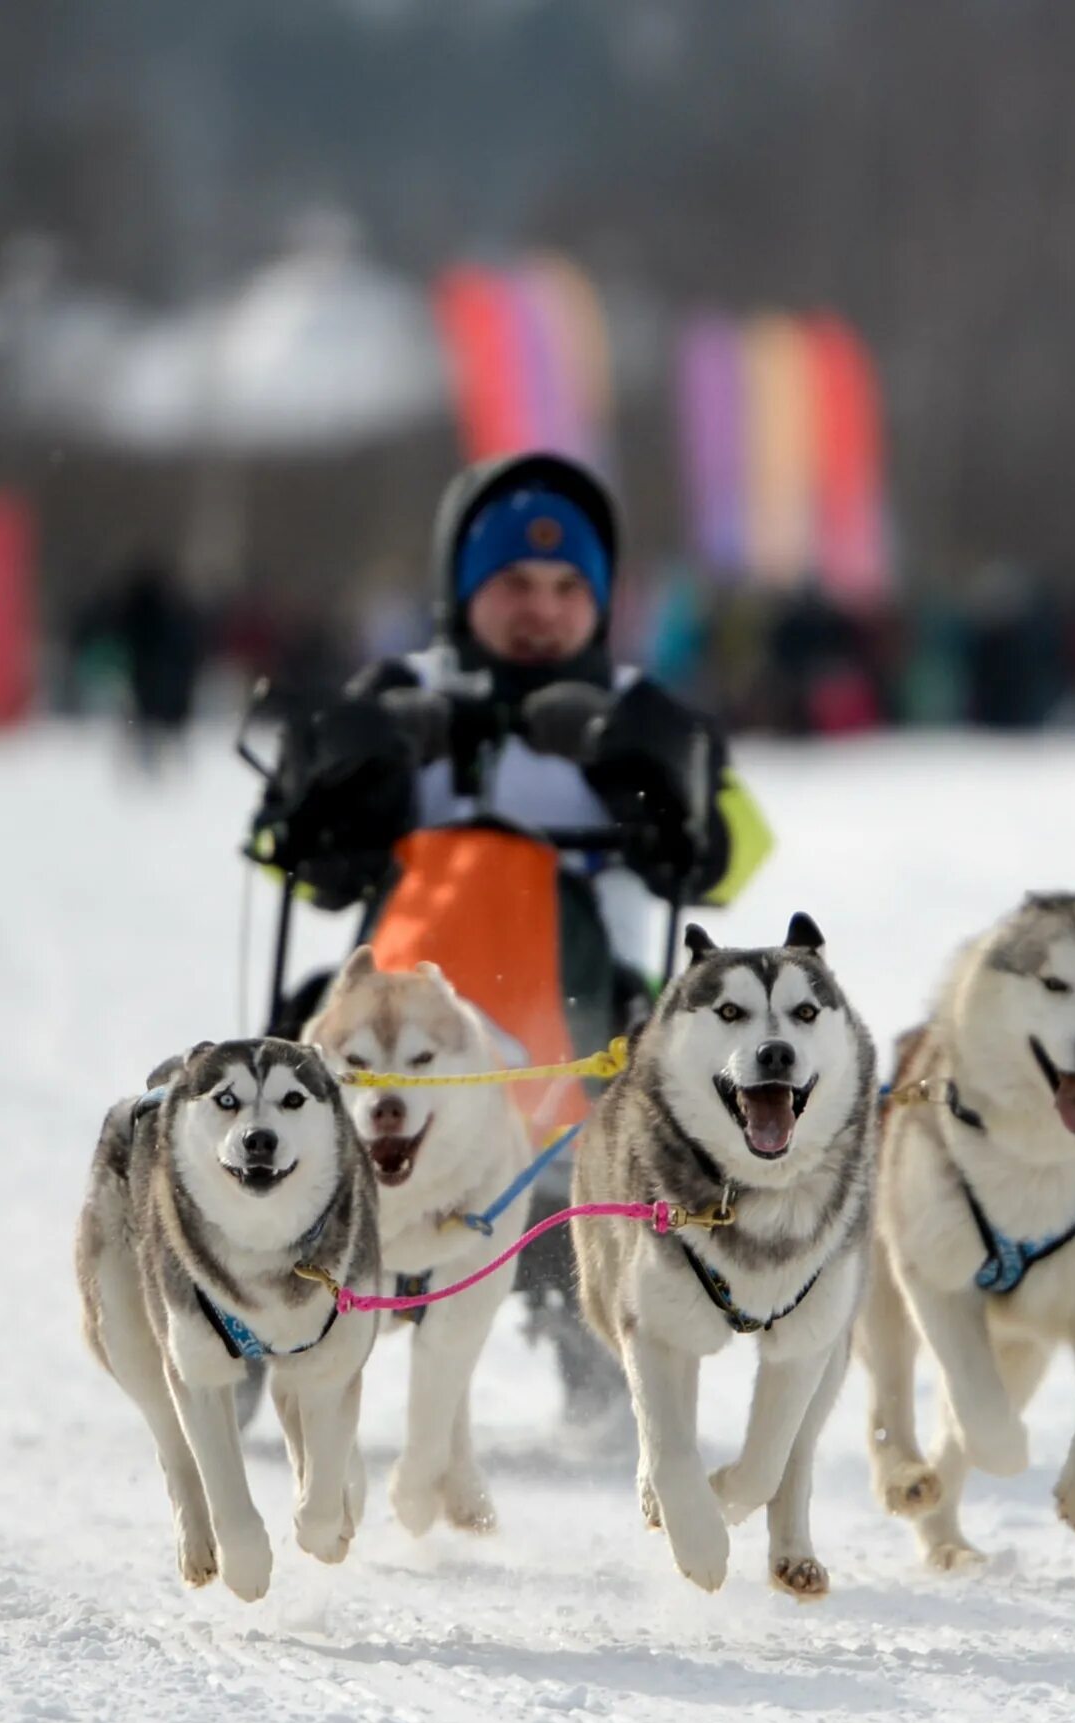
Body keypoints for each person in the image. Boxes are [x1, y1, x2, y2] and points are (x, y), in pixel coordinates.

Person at [245, 451, 771, 1418]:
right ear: (464, 590)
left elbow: (731, 858)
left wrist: (648, 767)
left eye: (570, 588)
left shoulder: (635, 707)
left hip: (576, 1019)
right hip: (400, 1009)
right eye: (515, 585)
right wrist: (357, 759)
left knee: (651, 1062)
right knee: (293, 1026)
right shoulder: (402, 687)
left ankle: (600, 1335)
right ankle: (253, 1308)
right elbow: (289, 860)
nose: (543, 608)